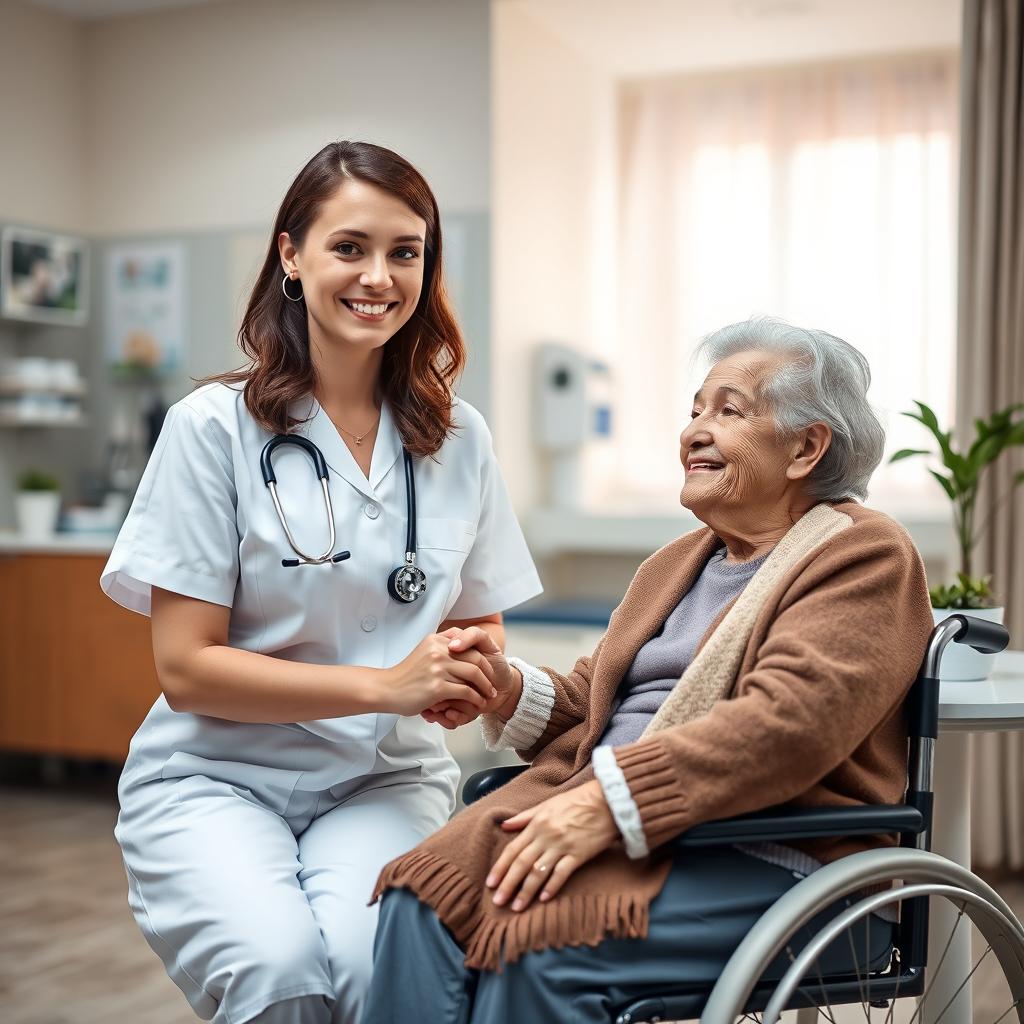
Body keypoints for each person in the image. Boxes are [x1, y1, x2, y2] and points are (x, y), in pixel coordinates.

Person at [361, 317, 934, 1024]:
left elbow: (791, 725)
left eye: (729, 410)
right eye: (695, 409)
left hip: (773, 853)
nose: (695, 429)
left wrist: (607, 802)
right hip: (641, 829)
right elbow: (598, 702)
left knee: (536, 948)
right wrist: (502, 686)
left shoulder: (862, 553)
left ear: (806, 447)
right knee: (422, 899)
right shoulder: (678, 562)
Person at [101, 140, 542, 1024]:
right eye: (350, 247)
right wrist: (386, 684)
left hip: (380, 778)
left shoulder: (461, 440)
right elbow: (186, 668)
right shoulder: (210, 430)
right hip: (214, 774)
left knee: (374, 973)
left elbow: (477, 625)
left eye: (405, 252)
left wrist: (470, 673)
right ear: (291, 255)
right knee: (280, 976)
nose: (379, 276)